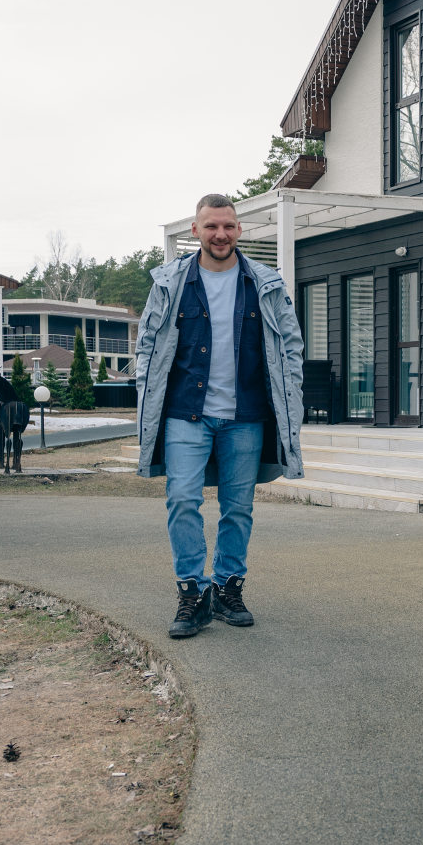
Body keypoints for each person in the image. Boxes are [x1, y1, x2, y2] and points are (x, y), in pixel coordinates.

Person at [133, 193, 306, 639]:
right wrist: (144, 390)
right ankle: (192, 592)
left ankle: (228, 588)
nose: (220, 234)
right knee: (181, 500)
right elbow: (147, 345)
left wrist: (293, 392)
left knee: (238, 508)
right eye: (211, 226)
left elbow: (291, 345)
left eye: (228, 226)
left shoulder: (265, 283)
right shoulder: (170, 283)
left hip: (246, 415)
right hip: (184, 414)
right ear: (196, 230)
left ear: (239, 229)